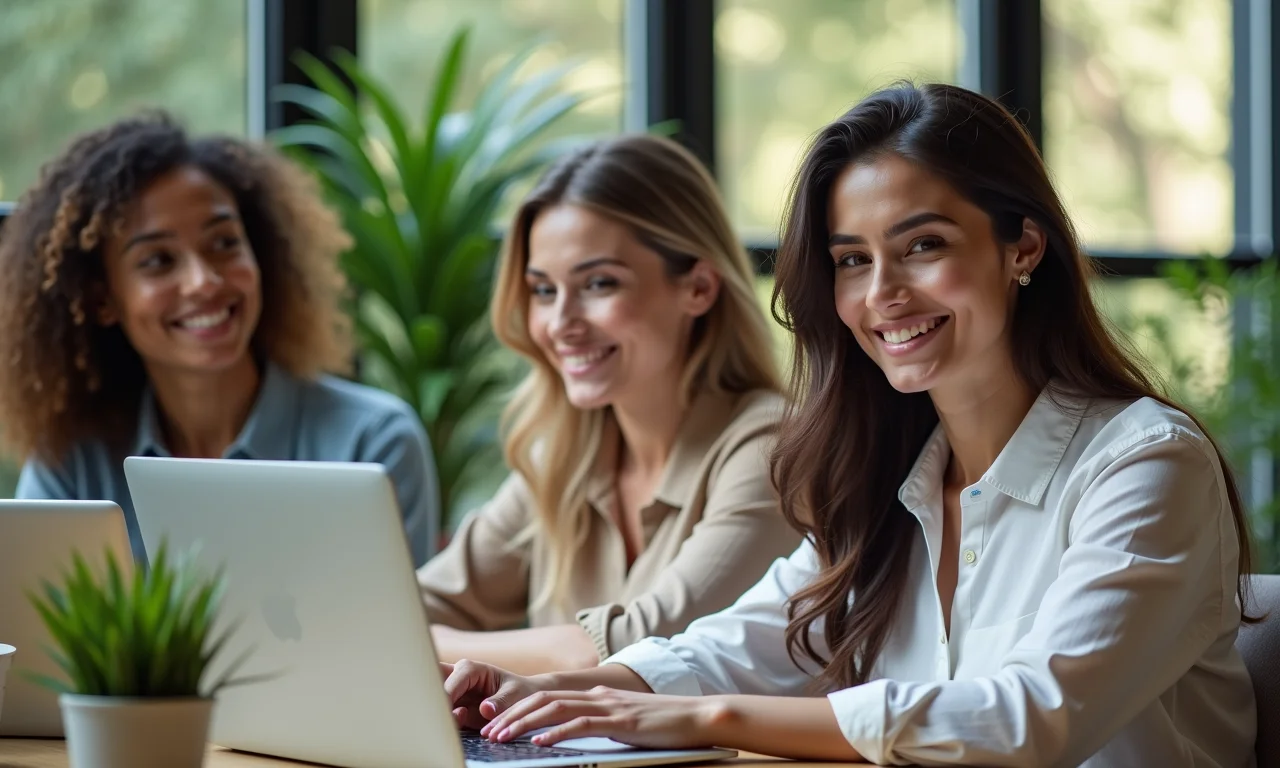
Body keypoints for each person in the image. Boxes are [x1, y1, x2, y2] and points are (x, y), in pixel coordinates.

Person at [438, 84, 1259, 767]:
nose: (882, 294)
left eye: (923, 245)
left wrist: (710, 720)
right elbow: (739, 646)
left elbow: (1030, 719)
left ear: (1023, 248)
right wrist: (565, 693)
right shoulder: (883, 483)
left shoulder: (1146, 465)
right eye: (852, 261)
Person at [416, 134, 800, 675]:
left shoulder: (772, 450)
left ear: (698, 288)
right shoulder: (563, 455)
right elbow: (403, 611)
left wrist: (436, 646)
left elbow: (637, 650)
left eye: (598, 283)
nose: (560, 324)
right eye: (543, 290)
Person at [0, 112, 440, 567]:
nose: (203, 282)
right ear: (101, 299)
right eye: (158, 260)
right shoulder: (73, 464)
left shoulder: (371, 444)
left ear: (262, 253)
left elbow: (390, 636)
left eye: (224, 243)